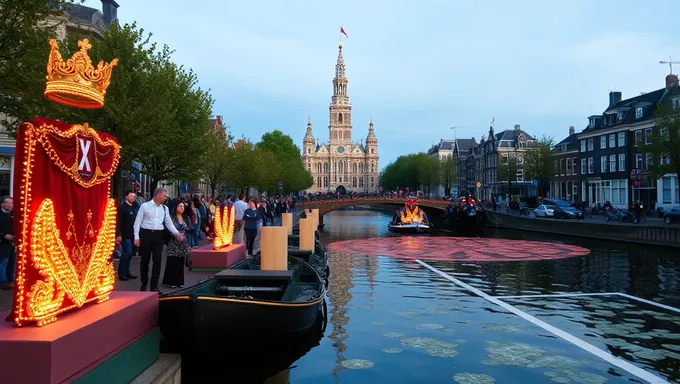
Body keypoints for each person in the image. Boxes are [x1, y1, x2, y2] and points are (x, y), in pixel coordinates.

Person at [134, 187, 184, 292]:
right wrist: (136, 237)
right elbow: (138, 221)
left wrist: (177, 233)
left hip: (158, 235)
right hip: (146, 234)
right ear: (157, 195)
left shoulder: (164, 208)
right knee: (145, 260)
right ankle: (144, 283)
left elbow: (169, 223)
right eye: (164, 196)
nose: (165, 198)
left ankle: (154, 286)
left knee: (157, 260)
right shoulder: (145, 206)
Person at [162, 202, 191, 288]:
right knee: (173, 262)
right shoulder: (171, 218)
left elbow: (190, 227)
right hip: (173, 242)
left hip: (183, 242)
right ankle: (172, 281)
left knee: (180, 262)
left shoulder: (186, 218)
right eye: (180, 206)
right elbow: (168, 228)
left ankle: (180, 281)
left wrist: (184, 232)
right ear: (176, 207)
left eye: (183, 206)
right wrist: (175, 234)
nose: (182, 208)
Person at [115, 190, 139, 281]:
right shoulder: (122, 208)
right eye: (131, 196)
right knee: (126, 252)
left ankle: (127, 271)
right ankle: (121, 273)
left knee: (130, 254)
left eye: (134, 196)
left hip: (133, 234)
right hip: (125, 235)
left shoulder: (134, 207)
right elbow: (118, 222)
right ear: (126, 197)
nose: (133, 198)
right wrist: (118, 234)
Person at [0, 197, 14, 290]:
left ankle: (10, 280)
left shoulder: (15, 215)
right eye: (7, 202)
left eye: (12, 203)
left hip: (12, 243)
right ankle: (3, 282)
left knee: (12, 262)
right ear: (2, 204)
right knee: (3, 262)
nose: (10, 205)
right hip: (2, 242)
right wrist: (3, 235)